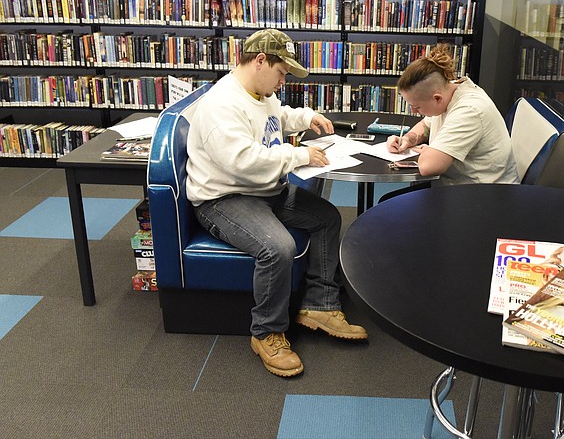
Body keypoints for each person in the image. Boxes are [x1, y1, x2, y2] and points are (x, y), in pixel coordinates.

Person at [185, 29, 367, 378]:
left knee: (327, 218)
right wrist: (299, 156)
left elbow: (276, 116)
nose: (283, 81)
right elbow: (241, 160)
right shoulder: (221, 105)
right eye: (282, 72)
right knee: (277, 247)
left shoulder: (257, 91)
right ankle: (267, 331)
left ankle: (319, 305)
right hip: (224, 198)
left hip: (264, 190)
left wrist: (306, 118)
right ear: (259, 61)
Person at [383, 43, 518, 197]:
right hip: (461, 186)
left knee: (390, 207)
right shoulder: (449, 89)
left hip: (483, 196)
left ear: (437, 98)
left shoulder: (469, 111)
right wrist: (408, 138)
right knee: (389, 202)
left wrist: (429, 151)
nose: (414, 111)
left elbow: (428, 166)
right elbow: (426, 125)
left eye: (417, 106)